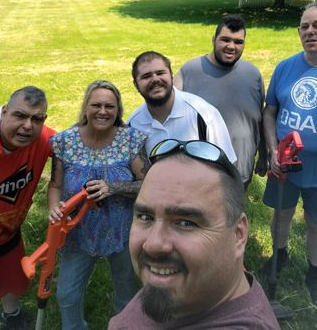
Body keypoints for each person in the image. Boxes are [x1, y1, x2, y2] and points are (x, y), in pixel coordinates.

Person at [108, 139, 280, 329]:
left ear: (238, 235)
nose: (153, 244)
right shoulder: (189, 287)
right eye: (146, 217)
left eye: (186, 223)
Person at [262, 1, 317, 308]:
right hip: (285, 164)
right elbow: (269, 113)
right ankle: (280, 254)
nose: (310, 31)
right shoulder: (285, 67)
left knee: (316, 222)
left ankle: (315, 274)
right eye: (304, 26)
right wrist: (273, 149)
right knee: (282, 213)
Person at [48, 80, 150, 330]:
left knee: (125, 290)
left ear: (118, 110)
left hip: (123, 230)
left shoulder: (131, 141)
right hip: (76, 230)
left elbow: (148, 183)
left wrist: (114, 187)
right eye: (96, 105)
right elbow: (55, 184)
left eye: (109, 106)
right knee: (67, 295)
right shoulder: (64, 142)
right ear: (85, 107)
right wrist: (53, 207)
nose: (102, 111)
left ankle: (124, 326)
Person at [0, 86, 55, 329]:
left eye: (37, 119)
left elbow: (77, 144)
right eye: (20, 116)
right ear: (4, 112)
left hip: (8, 233)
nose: (27, 126)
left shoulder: (42, 139)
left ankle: (12, 315)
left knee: (12, 280)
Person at [173, 15, 267, 189]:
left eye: (238, 42)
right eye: (225, 40)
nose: (231, 46)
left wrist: (263, 156)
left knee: (234, 214)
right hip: (200, 171)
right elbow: (170, 119)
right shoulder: (189, 72)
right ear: (214, 40)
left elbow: (261, 119)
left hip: (241, 170)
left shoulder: (253, 75)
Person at [127, 51, 236, 164]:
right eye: (146, 76)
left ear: (171, 75)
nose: (155, 79)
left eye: (160, 73)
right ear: (136, 84)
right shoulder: (132, 125)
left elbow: (228, 166)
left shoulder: (205, 113)